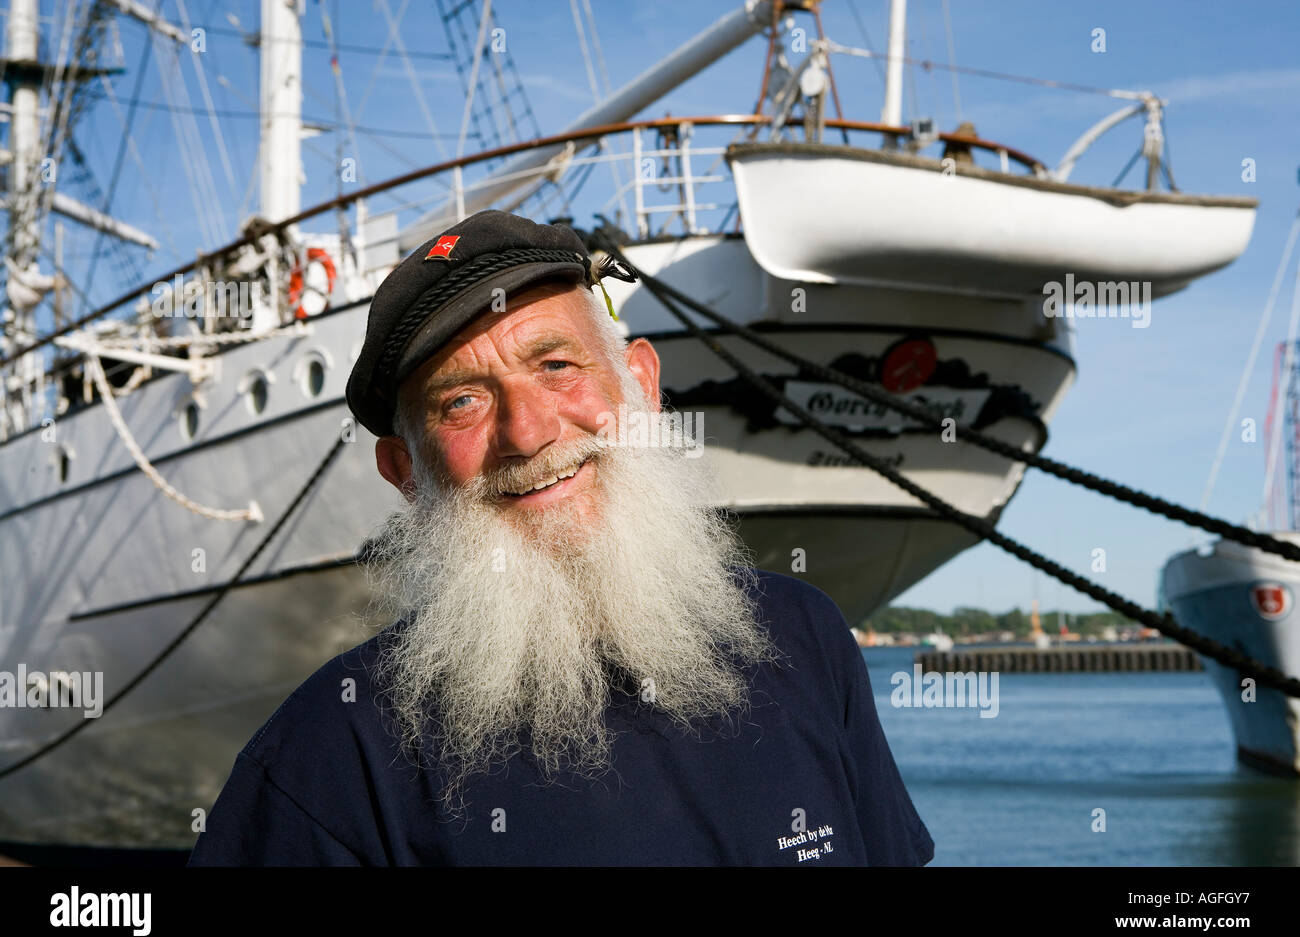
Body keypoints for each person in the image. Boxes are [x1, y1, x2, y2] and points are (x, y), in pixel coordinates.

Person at [188, 209, 934, 866]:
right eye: (463, 402)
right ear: (404, 471)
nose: (529, 431)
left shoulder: (803, 639)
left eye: (555, 364)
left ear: (640, 383)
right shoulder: (329, 761)